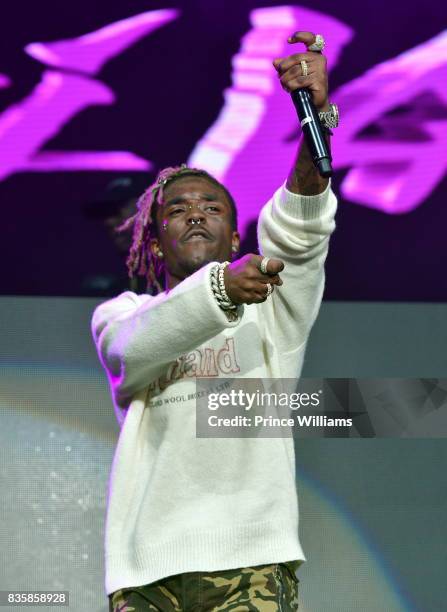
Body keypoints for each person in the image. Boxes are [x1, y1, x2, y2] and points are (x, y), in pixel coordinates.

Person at [92, 31, 339, 611]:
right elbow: (136, 345)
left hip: (250, 561)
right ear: (153, 245)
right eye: (175, 210)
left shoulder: (273, 304)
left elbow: (300, 223)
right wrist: (222, 287)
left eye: (211, 207)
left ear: (235, 235)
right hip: (149, 568)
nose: (195, 213)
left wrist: (315, 119)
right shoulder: (120, 315)